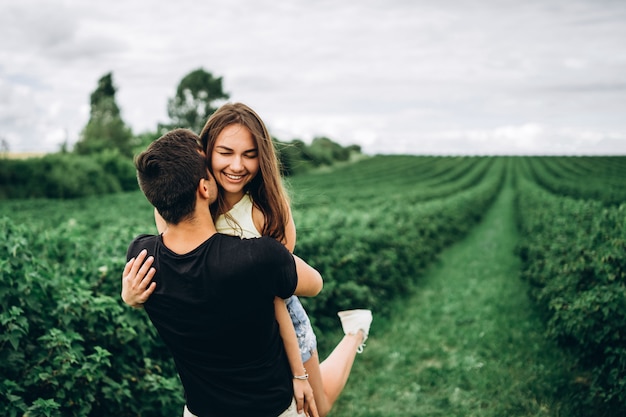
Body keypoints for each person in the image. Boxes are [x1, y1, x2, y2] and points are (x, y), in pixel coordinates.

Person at [125, 102, 373, 417]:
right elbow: (176, 259)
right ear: (205, 154)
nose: (237, 165)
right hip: (226, 320)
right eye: (225, 153)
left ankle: (355, 332)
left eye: (250, 154)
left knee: (317, 409)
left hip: (277, 313)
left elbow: (276, 292)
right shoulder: (180, 199)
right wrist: (130, 296)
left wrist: (297, 372)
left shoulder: (268, 213)